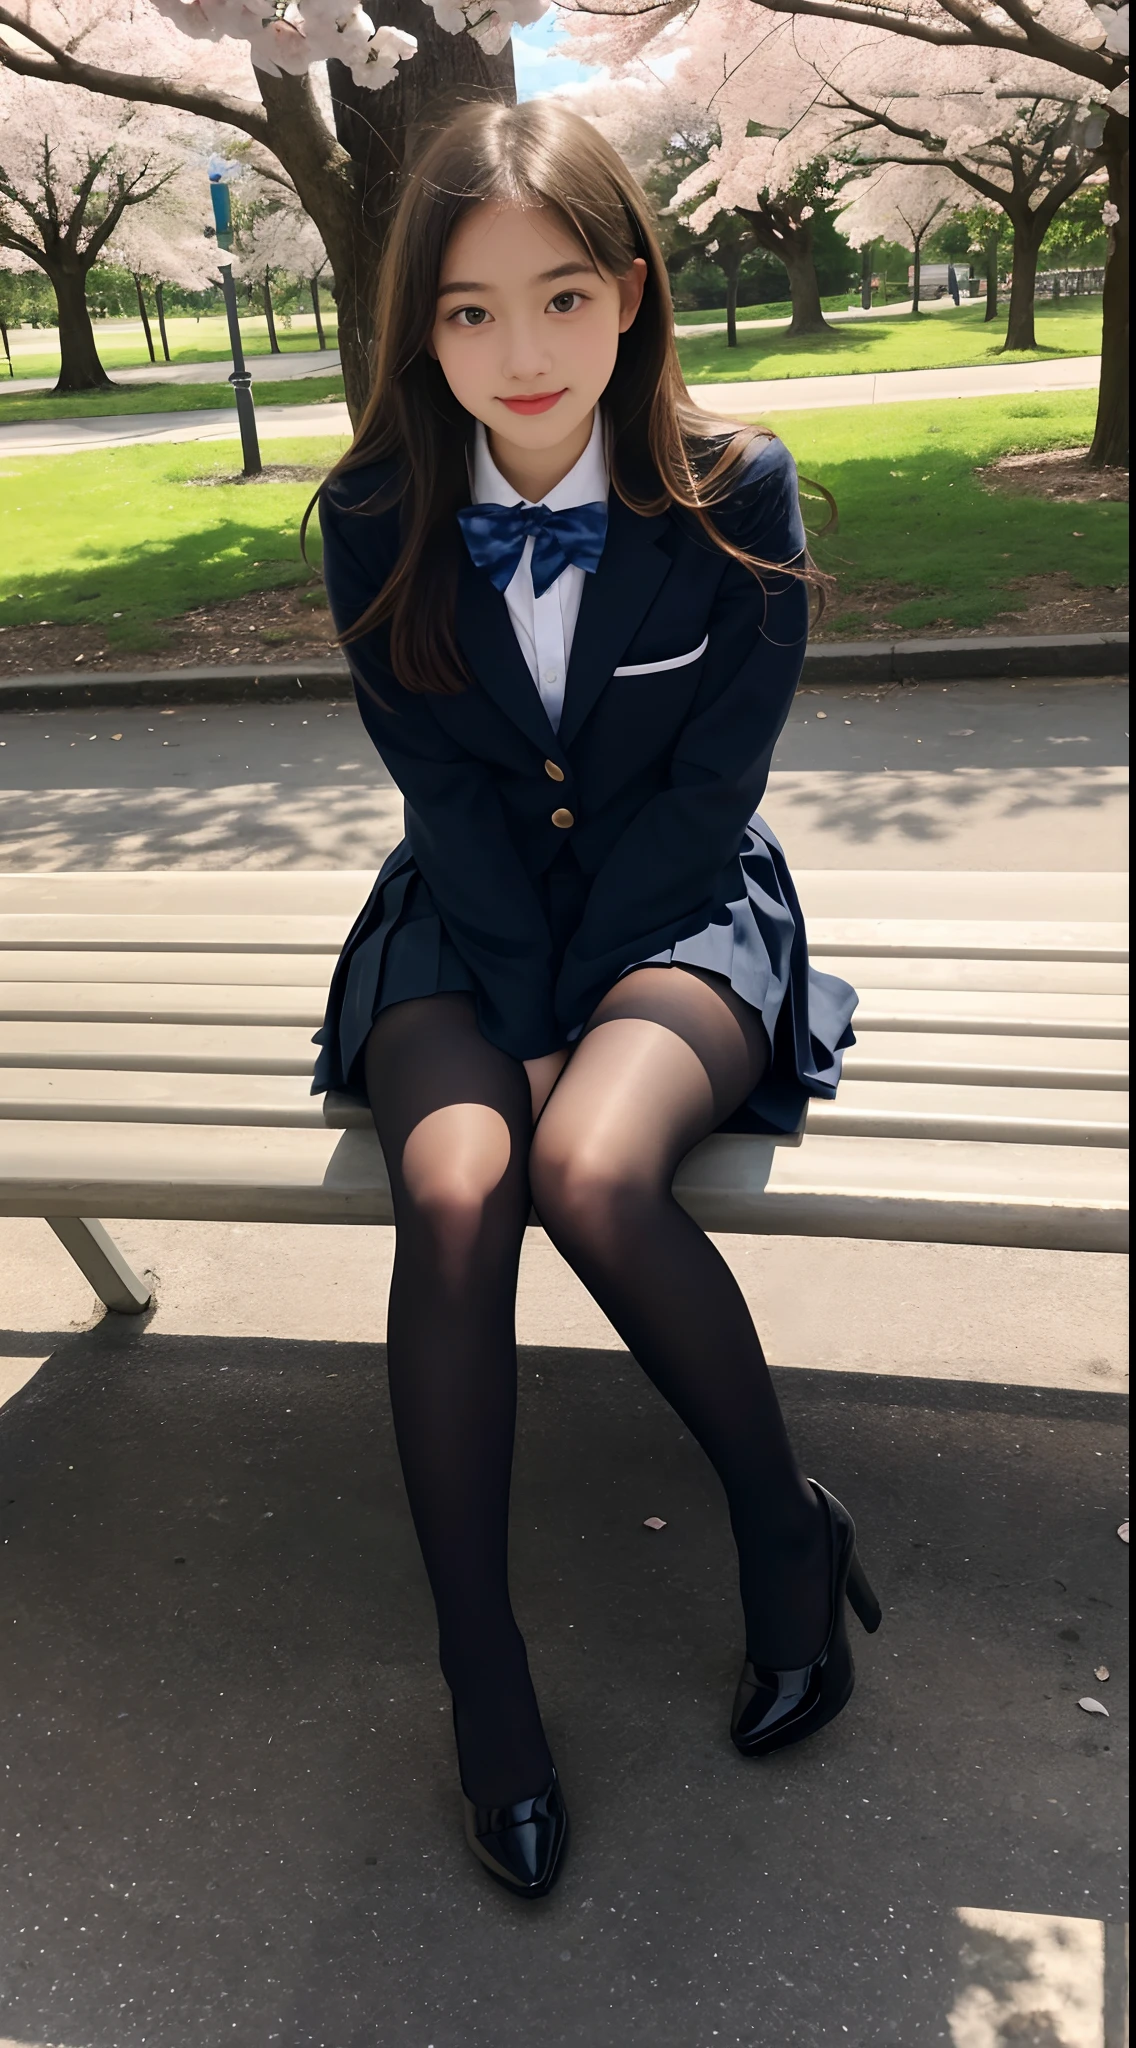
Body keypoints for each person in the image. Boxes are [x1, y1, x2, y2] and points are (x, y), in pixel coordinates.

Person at [309, 98, 880, 1902]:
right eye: (469, 314)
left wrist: (583, 1016)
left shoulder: (740, 491)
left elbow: (707, 796)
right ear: (424, 336)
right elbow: (444, 798)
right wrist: (529, 1009)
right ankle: (489, 1689)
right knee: (463, 1189)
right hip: (460, 921)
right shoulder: (376, 511)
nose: (521, 351)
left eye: (561, 297)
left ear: (631, 296)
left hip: (679, 908)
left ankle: (786, 1539)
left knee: (596, 1174)